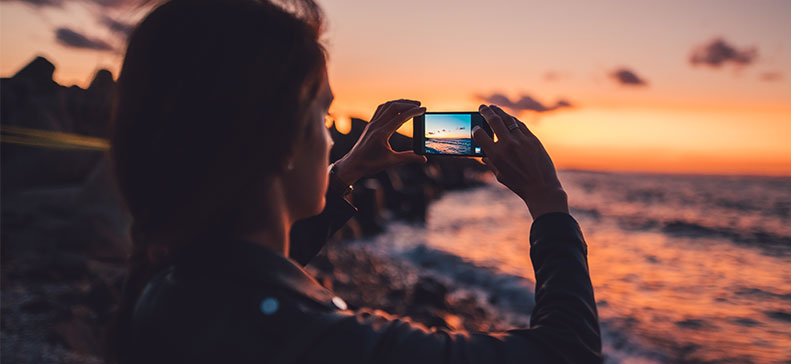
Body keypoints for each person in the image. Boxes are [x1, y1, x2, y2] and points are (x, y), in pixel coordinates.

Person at [106, 0, 602, 363]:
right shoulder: (321, 341)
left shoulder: (170, 284)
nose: (331, 138)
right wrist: (549, 204)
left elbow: (242, 258)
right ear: (279, 142)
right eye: (325, 117)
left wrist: (348, 171)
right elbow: (568, 351)